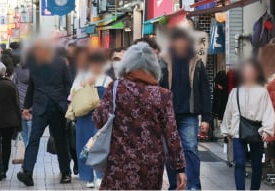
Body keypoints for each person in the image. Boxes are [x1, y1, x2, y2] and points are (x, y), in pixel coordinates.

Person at [93, 42, 187, 190]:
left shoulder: (116, 88)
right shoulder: (163, 95)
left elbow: (99, 120)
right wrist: (180, 168)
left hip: (119, 163)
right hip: (150, 166)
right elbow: (172, 134)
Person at [160, 28, 212, 190]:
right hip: (168, 114)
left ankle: (193, 185)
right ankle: (174, 185)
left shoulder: (196, 62)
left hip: (189, 114)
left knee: (190, 149)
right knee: (169, 151)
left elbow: (205, 91)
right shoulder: (163, 62)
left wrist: (206, 118)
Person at [17, 39, 73, 187]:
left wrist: (27, 106)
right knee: (60, 140)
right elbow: (68, 84)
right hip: (57, 105)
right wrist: (68, 102)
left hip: (40, 105)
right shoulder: (61, 63)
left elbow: (32, 87)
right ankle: (65, 173)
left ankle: (28, 172)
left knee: (34, 139)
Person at [220, 59, 275, 190]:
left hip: (257, 131)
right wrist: (227, 130)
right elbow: (228, 112)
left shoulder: (262, 92)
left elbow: (268, 111)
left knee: (257, 165)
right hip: (237, 131)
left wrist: (266, 130)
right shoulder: (235, 92)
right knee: (239, 162)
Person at [69, 49, 113, 188]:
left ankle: (92, 177)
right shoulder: (107, 79)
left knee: (87, 144)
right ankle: (96, 176)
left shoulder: (81, 78)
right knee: (97, 144)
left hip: (86, 115)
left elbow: (71, 96)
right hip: (97, 116)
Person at [13, 52, 32, 145]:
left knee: (23, 128)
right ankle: (30, 145)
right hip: (32, 102)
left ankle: (25, 144)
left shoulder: (17, 71)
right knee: (31, 126)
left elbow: (13, 84)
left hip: (20, 101)